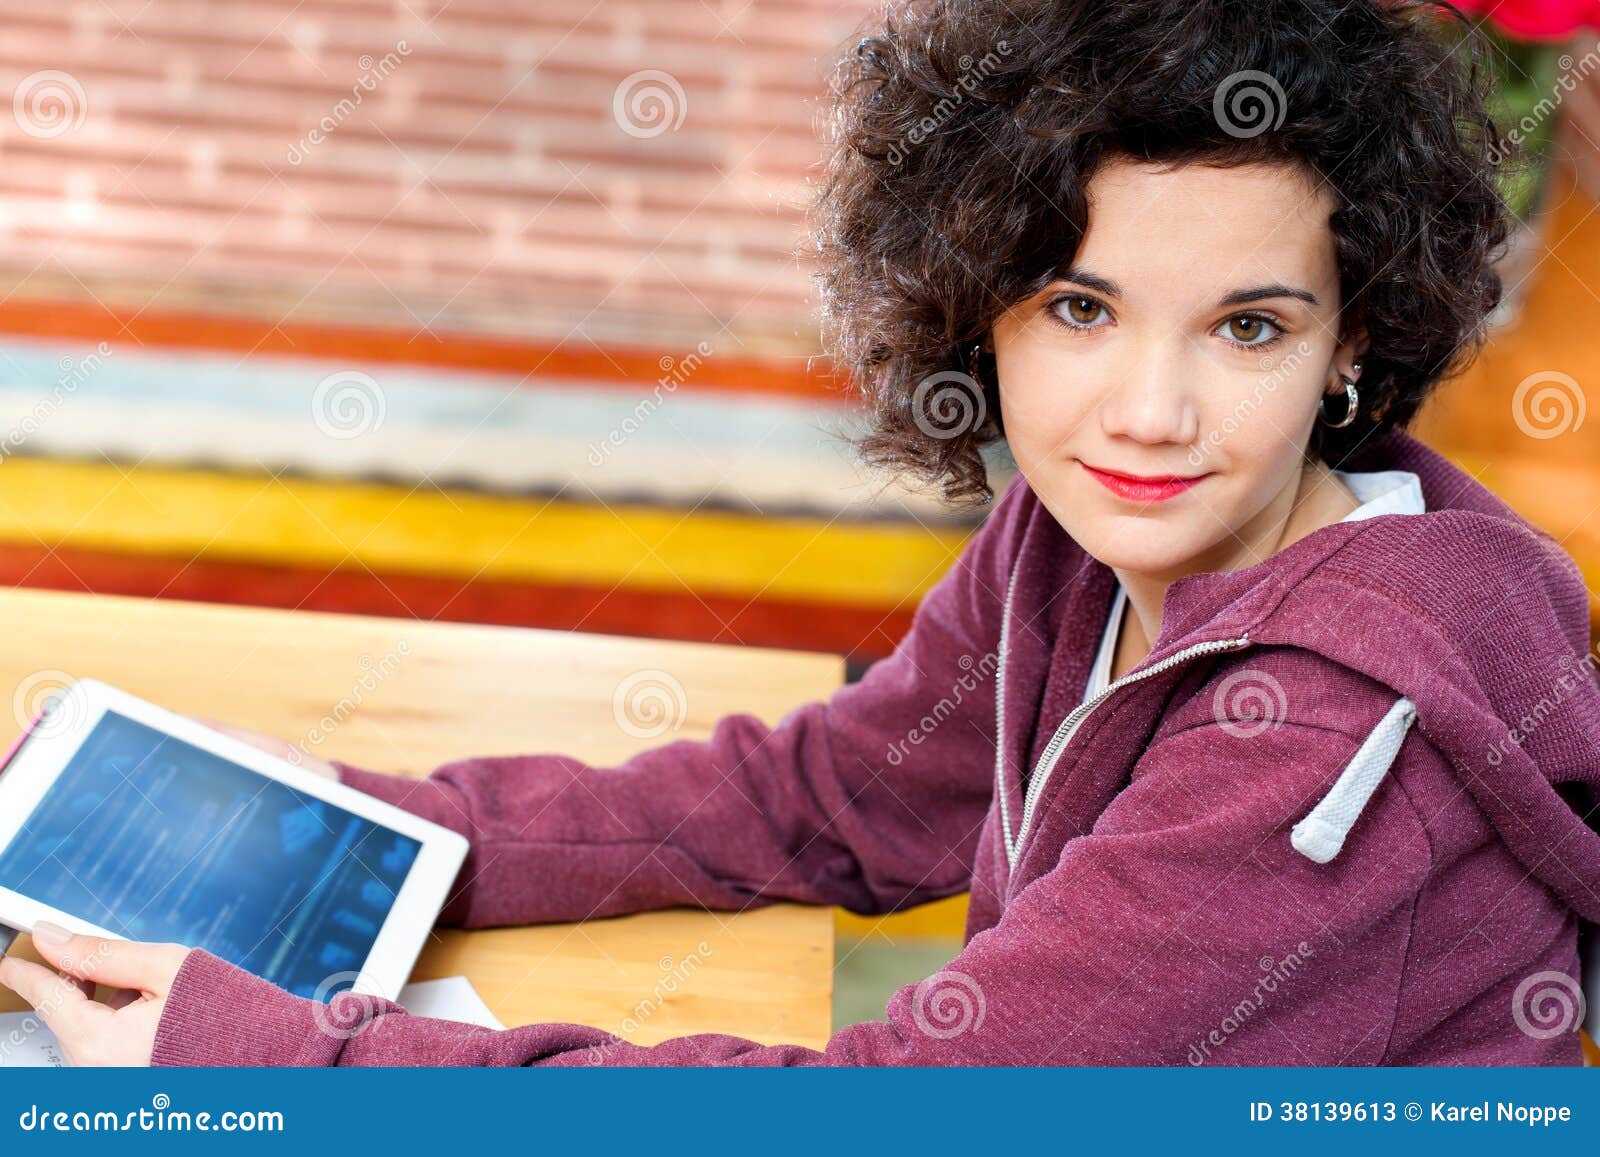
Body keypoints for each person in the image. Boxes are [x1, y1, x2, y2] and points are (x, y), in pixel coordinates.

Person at [6, 0, 1600, 1066]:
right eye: (1080, 308)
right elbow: (824, 796)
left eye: (1246, 327)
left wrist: (280, 1052)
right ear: (977, 309)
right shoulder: (1091, 532)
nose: (1147, 411)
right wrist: (326, 813)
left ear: (1353, 342)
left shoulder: (1331, 737)